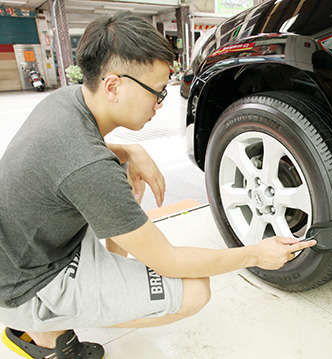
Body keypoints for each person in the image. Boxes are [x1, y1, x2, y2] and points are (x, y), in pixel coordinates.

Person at [0, 12, 316, 359]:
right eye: (158, 91)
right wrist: (256, 254)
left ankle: (88, 296)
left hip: (33, 246)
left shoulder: (67, 101)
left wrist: (129, 150)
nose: (160, 103)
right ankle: (44, 332)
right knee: (195, 291)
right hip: (25, 283)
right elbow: (169, 260)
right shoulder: (89, 168)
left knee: (114, 175)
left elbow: (69, 158)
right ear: (113, 86)